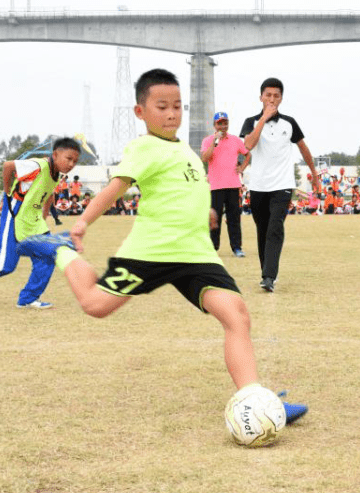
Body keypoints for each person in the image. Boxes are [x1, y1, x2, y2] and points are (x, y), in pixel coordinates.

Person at [50, 69, 306, 424]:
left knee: (237, 315)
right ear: (140, 112)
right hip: (150, 252)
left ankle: (256, 401)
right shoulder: (142, 147)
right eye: (162, 107)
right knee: (96, 304)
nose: (172, 114)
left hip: (195, 252)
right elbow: (116, 188)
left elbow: (187, 188)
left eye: (177, 106)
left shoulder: (185, 149)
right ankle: (58, 252)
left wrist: (209, 213)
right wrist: (81, 224)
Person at [0, 137, 82, 309]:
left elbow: (49, 193)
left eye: (75, 161)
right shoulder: (38, 165)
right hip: (15, 212)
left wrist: (45, 215)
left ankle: (28, 298)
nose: (71, 164)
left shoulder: (57, 175)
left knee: (48, 256)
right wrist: (6, 192)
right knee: (5, 265)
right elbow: (8, 166)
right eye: (68, 158)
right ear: (55, 155)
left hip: (33, 220)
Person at [239, 77, 322, 292]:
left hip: (283, 185)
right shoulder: (250, 122)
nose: (272, 99)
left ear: (281, 98)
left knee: (275, 228)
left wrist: (314, 173)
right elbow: (248, 145)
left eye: (276, 96)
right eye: (268, 95)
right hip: (258, 186)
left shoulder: (289, 123)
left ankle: (269, 276)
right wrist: (263, 119)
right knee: (262, 230)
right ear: (261, 97)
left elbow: (303, 147)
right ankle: (266, 271)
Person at [200, 110, 250, 258]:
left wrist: (242, 168)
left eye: (225, 123)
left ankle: (237, 247)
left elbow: (247, 154)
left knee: (234, 218)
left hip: (233, 185)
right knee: (215, 219)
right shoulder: (208, 140)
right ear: (215, 125)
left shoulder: (235, 140)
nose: (223, 126)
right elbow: (205, 158)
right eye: (220, 123)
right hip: (216, 186)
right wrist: (215, 142)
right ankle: (212, 248)